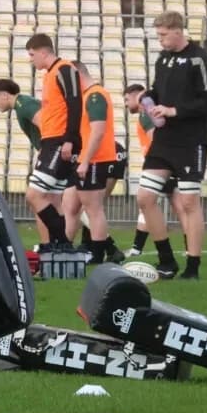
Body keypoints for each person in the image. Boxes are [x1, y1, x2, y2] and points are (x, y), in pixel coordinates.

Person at [138, 12, 207, 279]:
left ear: (177, 31)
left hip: (190, 140)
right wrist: (147, 98)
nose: (160, 40)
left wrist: (173, 111)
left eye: (163, 35)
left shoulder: (200, 58)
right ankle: (166, 260)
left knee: (188, 202)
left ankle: (193, 266)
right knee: (145, 197)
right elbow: (157, 89)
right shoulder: (163, 58)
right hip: (164, 140)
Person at [66, 61, 125, 264]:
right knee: (73, 206)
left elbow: (98, 131)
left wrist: (85, 160)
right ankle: (66, 248)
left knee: (93, 209)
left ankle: (99, 254)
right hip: (89, 158)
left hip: (94, 159)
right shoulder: (90, 95)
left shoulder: (94, 95)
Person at [24, 34, 80, 249]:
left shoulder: (64, 69)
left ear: (43, 52)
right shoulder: (49, 75)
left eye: (32, 55)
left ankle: (63, 243)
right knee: (54, 199)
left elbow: (75, 104)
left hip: (60, 141)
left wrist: (70, 140)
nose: (31, 60)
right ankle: (58, 247)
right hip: (51, 141)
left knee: (34, 194)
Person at [0, 77, 49, 245]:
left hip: (50, 155)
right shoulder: (22, 105)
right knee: (48, 201)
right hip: (50, 154)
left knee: (36, 198)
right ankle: (52, 242)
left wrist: (47, 152)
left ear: (4, 95)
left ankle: (49, 244)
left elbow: (46, 125)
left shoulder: (24, 105)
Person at [122, 84, 156, 257]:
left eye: (127, 99)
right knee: (146, 205)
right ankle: (136, 248)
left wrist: (153, 161)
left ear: (136, 96)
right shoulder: (146, 114)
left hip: (155, 165)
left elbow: (153, 137)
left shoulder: (145, 114)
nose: (126, 104)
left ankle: (137, 249)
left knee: (145, 204)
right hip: (156, 163)